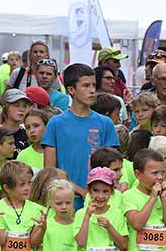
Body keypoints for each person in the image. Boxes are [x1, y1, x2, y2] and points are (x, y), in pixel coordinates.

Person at [42, 64, 119, 204]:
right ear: (71, 90)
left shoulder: (105, 123)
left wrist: (95, 192)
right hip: (66, 202)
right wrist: (79, 190)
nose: (92, 91)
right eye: (85, 86)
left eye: (94, 85)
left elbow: (112, 168)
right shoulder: (55, 123)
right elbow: (50, 172)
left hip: (100, 202)